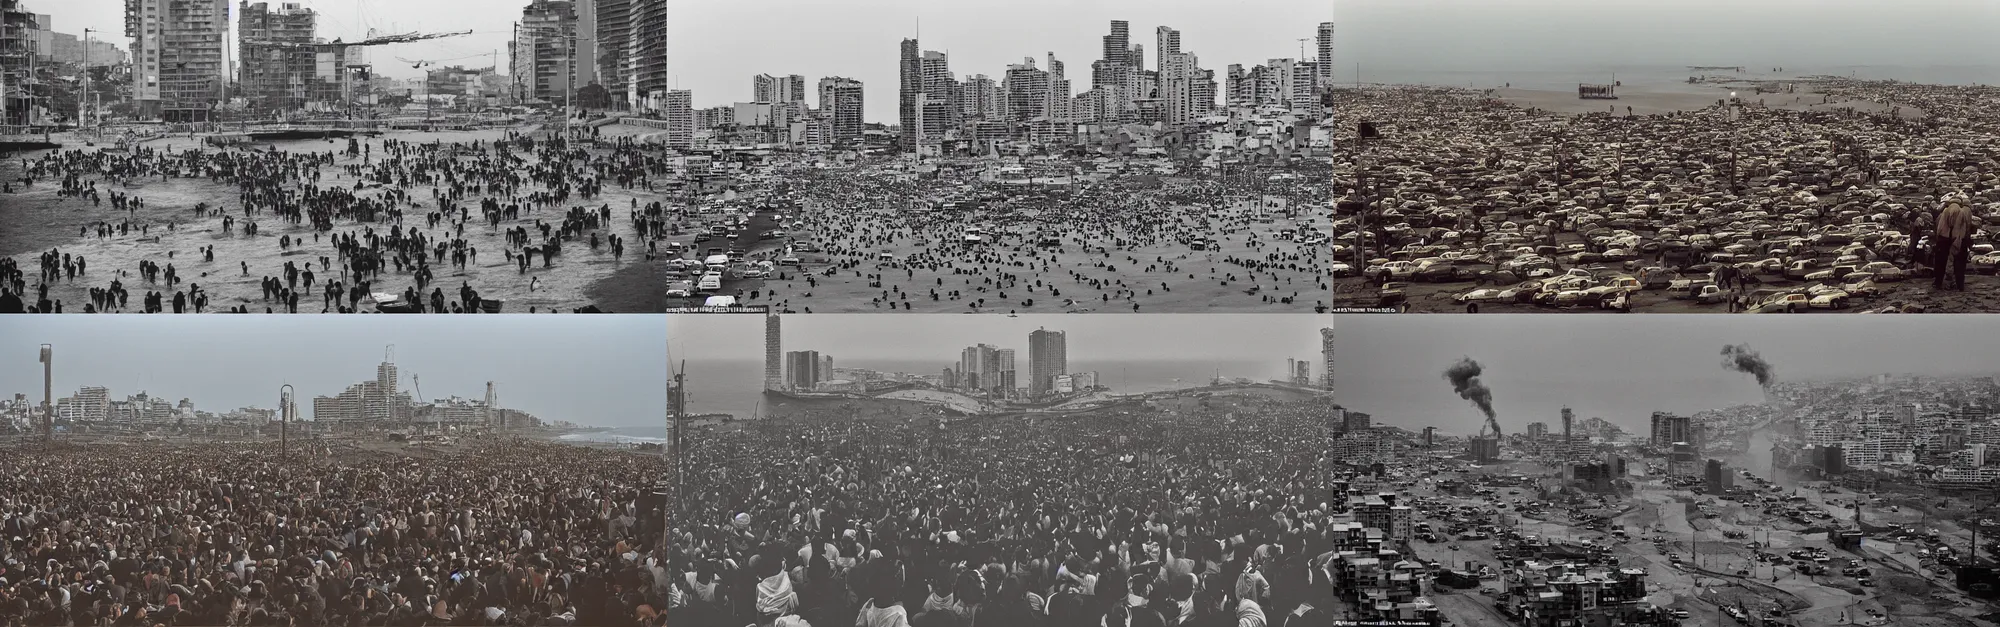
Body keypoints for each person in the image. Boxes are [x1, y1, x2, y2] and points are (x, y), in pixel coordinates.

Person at [1933, 198, 1974, 291]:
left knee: (1940, 262)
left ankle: (1938, 282)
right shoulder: (1961, 212)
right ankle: (1960, 285)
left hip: (1943, 239)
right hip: (1958, 239)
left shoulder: (1945, 212)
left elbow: (1938, 227)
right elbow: (1962, 228)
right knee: (1959, 263)